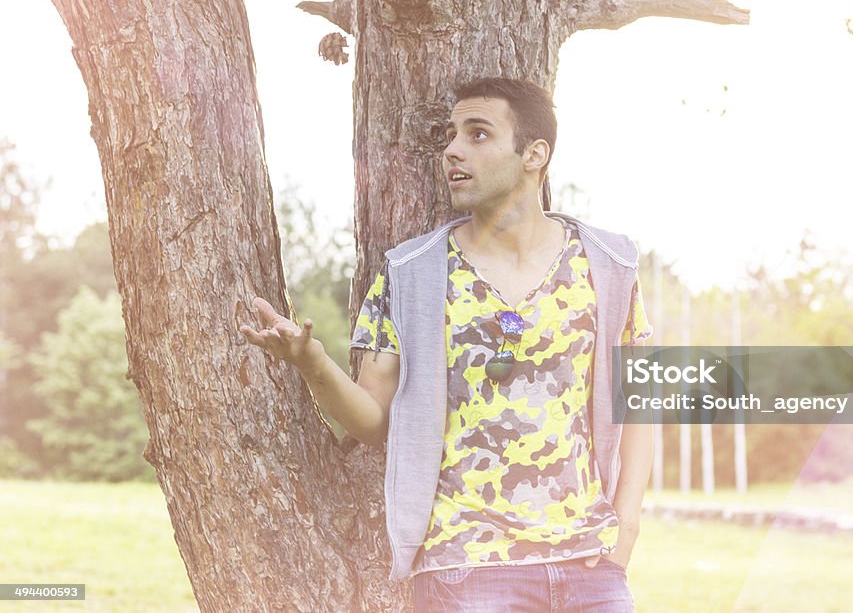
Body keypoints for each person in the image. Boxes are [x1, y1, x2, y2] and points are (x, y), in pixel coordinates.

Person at [241, 77, 654, 612]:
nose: (453, 151)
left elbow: (639, 401)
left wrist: (627, 527)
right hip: (466, 574)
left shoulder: (607, 263)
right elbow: (371, 422)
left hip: (591, 570)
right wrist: (312, 363)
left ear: (534, 154)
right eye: (450, 135)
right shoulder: (411, 274)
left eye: (478, 134)